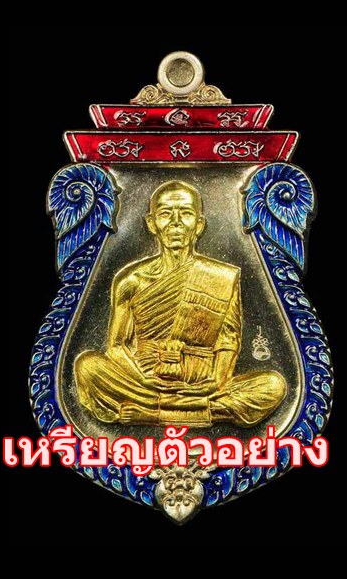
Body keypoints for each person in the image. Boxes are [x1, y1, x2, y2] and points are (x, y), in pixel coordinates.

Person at [75, 181, 286, 427]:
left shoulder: (221, 276)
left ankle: (155, 413)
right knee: (87, 367)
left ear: (199, 225)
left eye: (185, 213)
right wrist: (143, 380)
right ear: (152, 223)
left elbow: (228, 340)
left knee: (273, 385)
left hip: (201, 382)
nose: (176, 223)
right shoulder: (130, 280)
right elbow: (116, 346)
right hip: (146, 381)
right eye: (166, 214)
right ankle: (194, 411)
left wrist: (216, 382)